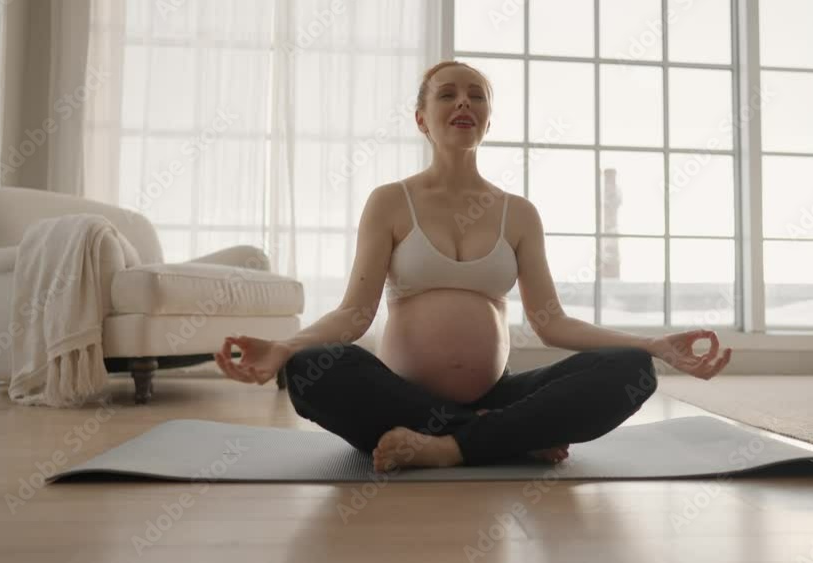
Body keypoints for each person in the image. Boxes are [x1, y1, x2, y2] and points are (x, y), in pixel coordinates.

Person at [214, 60, 733, 472]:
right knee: (310, 370)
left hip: (498, 391)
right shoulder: (390, 202)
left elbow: (552, 323)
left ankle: (448, 446)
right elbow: (354, 314)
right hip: (399, 396)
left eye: (476, 94)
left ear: (487, 118)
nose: (464, 100)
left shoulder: (519, 213)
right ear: (422, 119)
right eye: (447, 93)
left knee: (630, 373)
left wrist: (653, 345)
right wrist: (286, 347)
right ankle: (501, 435)